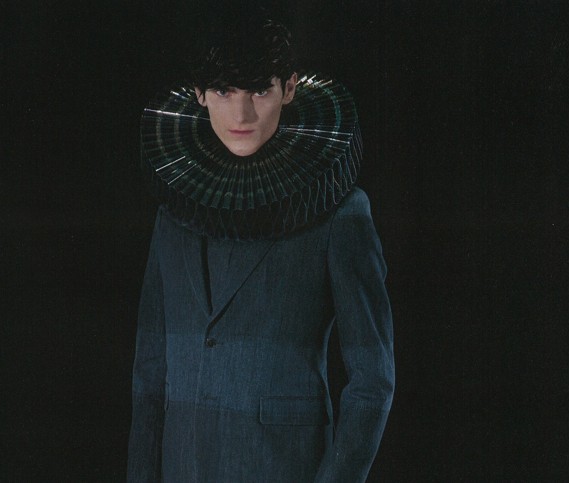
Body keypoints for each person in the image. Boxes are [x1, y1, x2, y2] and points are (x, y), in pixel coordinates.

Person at [128, 18, 395, 482]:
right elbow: (149, 375)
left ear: (289, 88)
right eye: (224, 91)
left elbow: (373, 382)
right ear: (199, 94)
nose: (242, 114)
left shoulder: (340, 215)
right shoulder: (173, 214)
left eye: (259, 91)